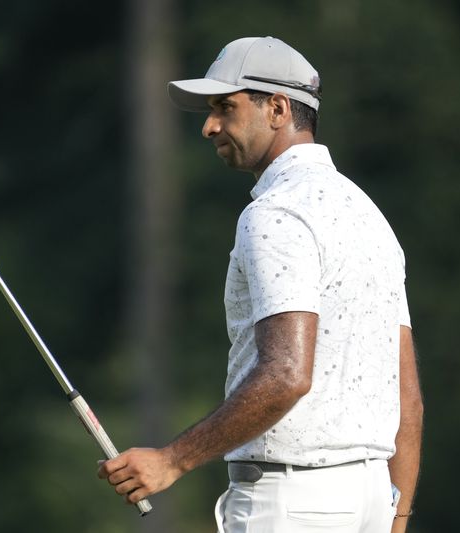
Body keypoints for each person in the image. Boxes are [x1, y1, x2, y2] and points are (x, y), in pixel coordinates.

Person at [98, 36, 423, 533]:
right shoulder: (368, 215)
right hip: (373, 500)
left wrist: (172, 460)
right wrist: (397, 518)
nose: (209, 126)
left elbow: (286, 376)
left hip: (292, 504)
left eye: (225, 108)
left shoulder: (273, 213)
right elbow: (408, 397)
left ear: (277, 108)